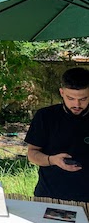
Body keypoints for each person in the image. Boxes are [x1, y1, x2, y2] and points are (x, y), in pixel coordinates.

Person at [24, 67, 89, 202]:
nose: (77, 104)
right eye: (70, 98)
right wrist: (52, 160)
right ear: (61, 92)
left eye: (83, 99)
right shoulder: (45, 116)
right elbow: (32, 154)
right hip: (50, 197)